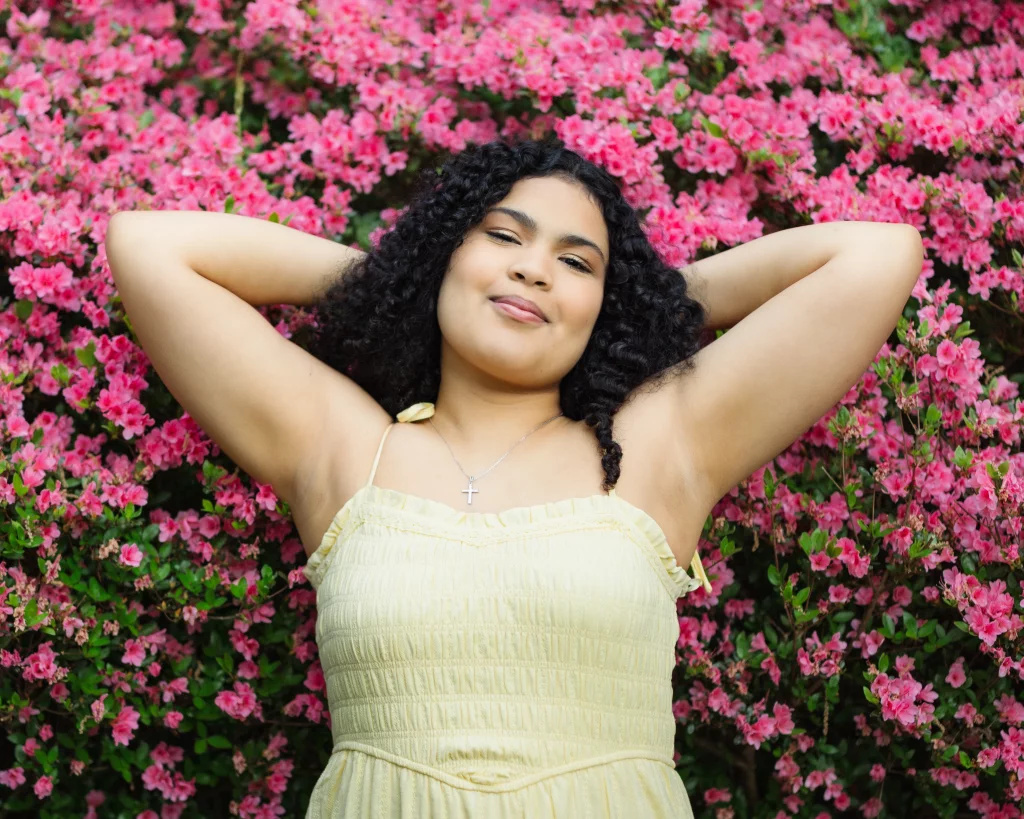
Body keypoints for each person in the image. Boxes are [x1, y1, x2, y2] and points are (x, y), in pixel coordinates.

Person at [105, 135, 923, 817]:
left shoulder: (660, 446)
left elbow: (874, 256)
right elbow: (150, 247)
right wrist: (401, 277)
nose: (534, 270)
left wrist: (650, 305)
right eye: (502, 237)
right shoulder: (346, 447)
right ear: (445, 257)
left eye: (577, 263)